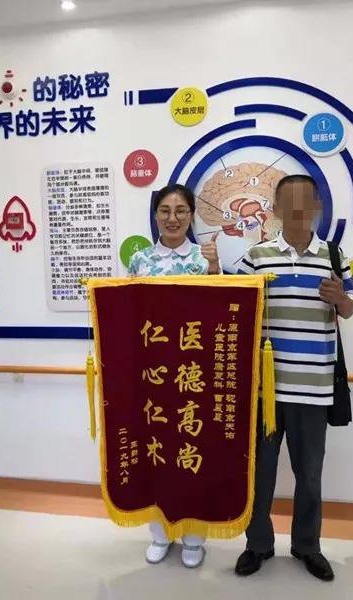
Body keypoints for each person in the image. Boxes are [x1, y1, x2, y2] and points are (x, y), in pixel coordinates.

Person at [233, 174, 353, 582]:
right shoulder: (258, 255)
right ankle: (258, 545)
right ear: (277, 208)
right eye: (291, 201)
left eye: (307, 201)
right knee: (259, 474)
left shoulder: (334, 255)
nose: (299, 209)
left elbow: (350, 308)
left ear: (318, 206)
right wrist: (216, 270)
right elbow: (235, 305)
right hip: (265, 389)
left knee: (310, 476)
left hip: (314, 387)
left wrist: (340, 299)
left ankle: (307, 546)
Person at [127, 183, 219, 568]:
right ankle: (160, 534)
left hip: (193, 376)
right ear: (155, 215)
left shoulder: (203, 258)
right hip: (153, 377)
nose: (172, 218)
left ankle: (194, 537)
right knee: (157, 456)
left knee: (193, 455)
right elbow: (127, 316)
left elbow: (220, 314)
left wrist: (215, 270)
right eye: (165, 210)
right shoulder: (140, 261)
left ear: (192, 215)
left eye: (181, 211)